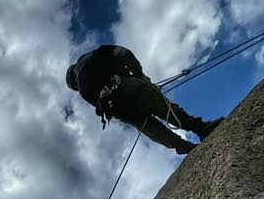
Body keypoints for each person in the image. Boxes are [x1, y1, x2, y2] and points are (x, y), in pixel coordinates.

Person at [66, 44, 222, 154]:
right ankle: (200, 128)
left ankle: (181, 145)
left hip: (123, 110)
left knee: (151, 128)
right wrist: (139, 75)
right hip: (132, 87)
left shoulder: (84, 92)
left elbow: (102, 108)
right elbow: (124, 53)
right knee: (166, 109)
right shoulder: (98, 53)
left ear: (74, 82)